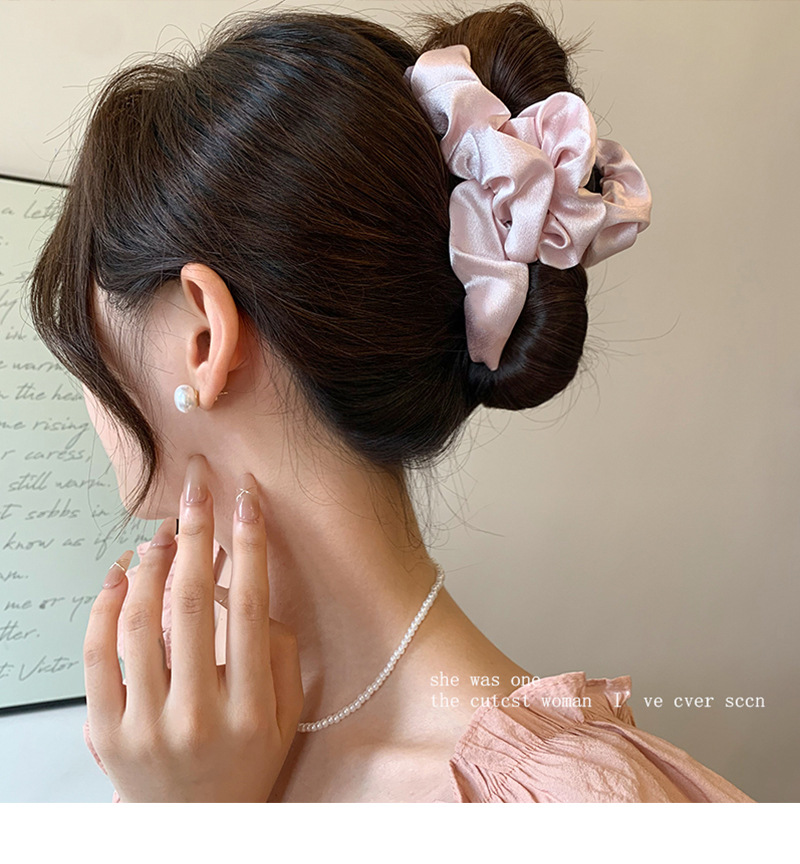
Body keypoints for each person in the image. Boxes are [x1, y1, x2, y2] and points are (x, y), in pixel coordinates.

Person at [28, 3, 754, 802]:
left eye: (86, 349)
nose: (90, 395)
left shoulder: (585, 808)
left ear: (205, 336)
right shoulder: (176, 730)